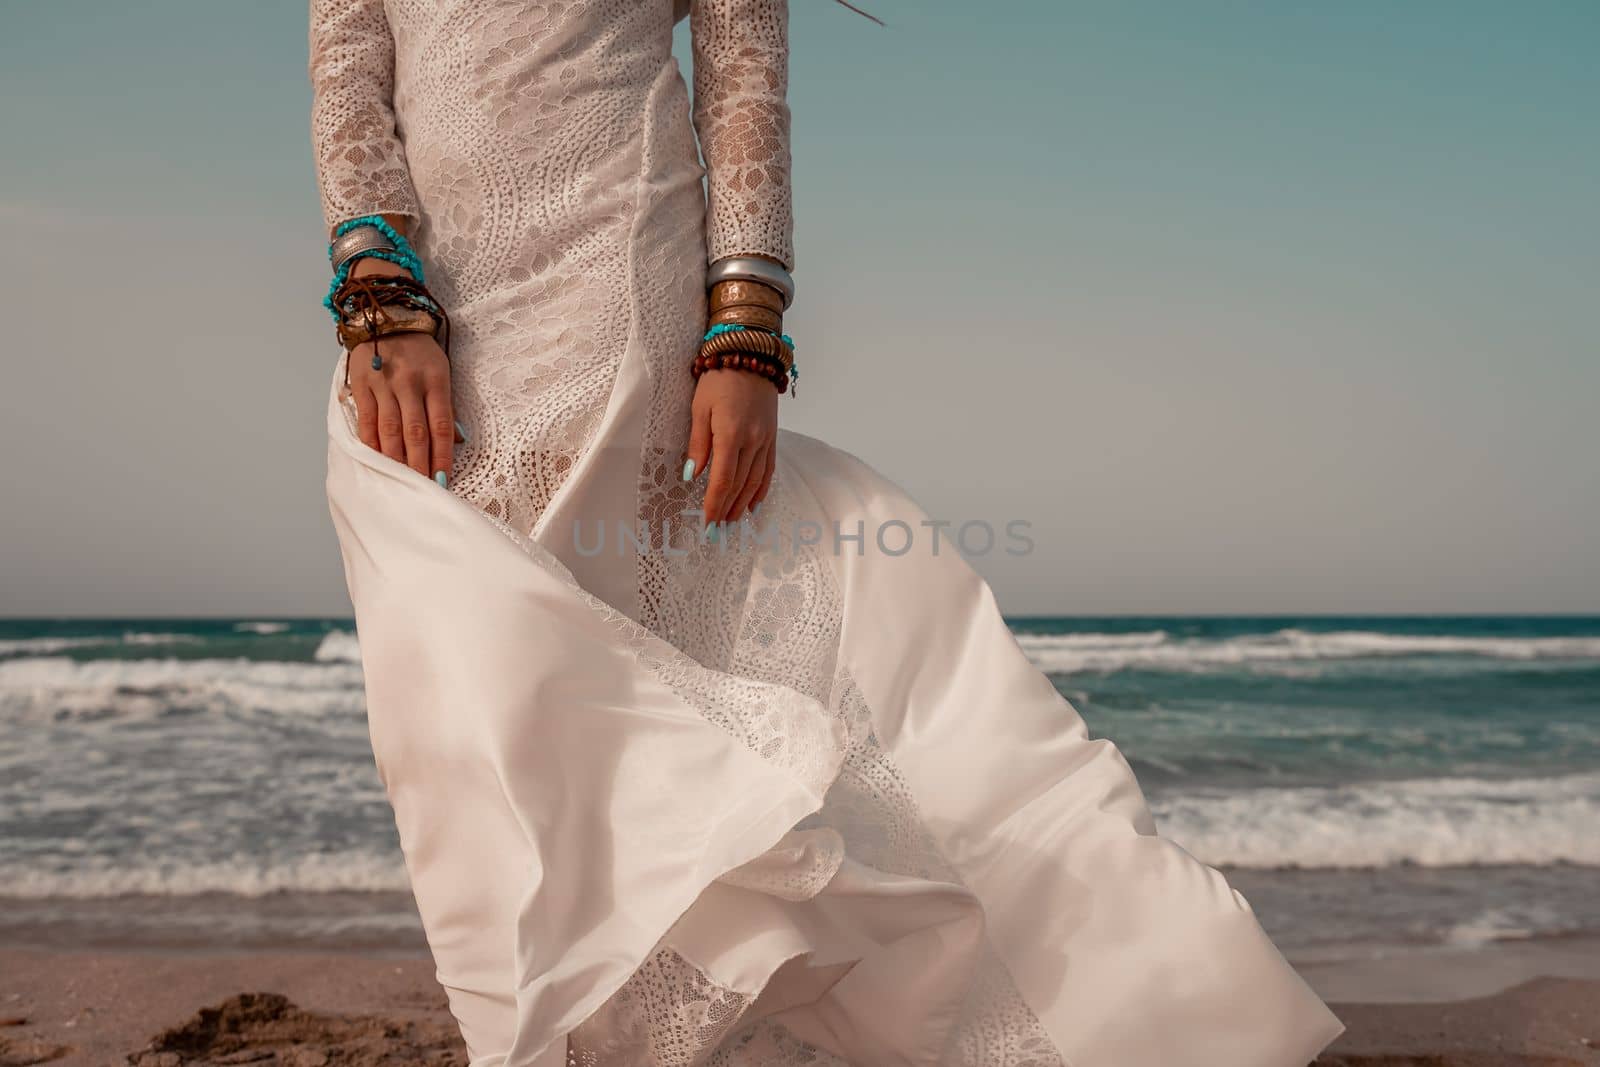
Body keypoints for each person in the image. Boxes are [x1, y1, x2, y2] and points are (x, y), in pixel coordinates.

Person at [311, 1, 1343, 1064]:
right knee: (458, 712)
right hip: (425, 317)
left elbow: (743, 84)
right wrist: (383, 296)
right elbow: (347, 67)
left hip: (612, 300)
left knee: (550, 701)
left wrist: (745, 333)